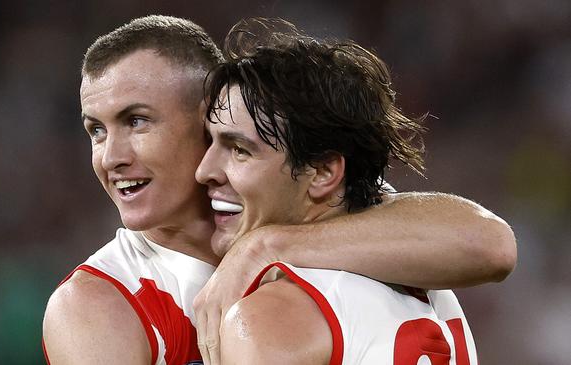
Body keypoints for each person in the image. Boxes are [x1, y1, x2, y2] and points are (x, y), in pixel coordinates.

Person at [42, 15, 515, 365]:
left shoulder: (318, 215)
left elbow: (490, 244)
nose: (110, 157)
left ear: (211, 115)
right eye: (96, 131)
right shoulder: (97, 306)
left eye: (137, 121)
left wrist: (266, 246)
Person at [195, 18, 480, 364]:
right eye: (210, 142)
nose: (203, 171)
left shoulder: (267, 319)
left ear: (323, 172)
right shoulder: (424, 273)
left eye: (239, 150)